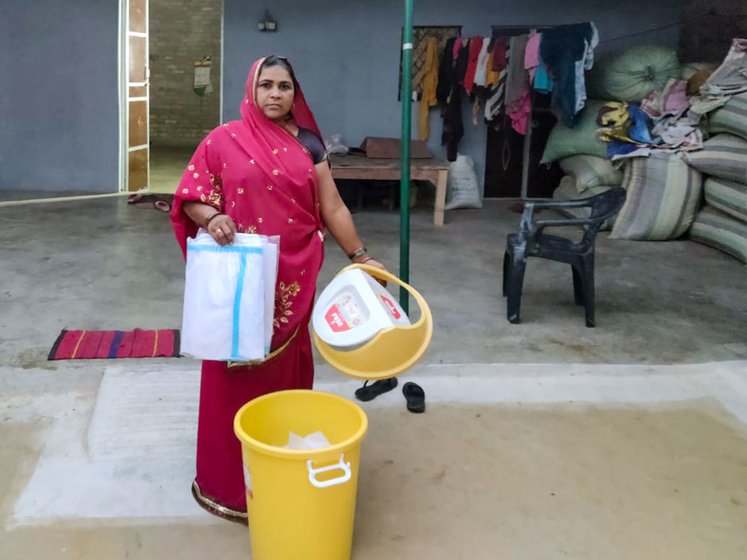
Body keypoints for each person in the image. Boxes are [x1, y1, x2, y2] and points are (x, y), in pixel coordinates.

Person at [171, 55, 384, 523]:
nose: (274, 94)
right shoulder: (222, 140)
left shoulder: (309, 144)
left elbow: (332, 206)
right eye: (265, 85)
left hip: (292, 272)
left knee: (282, 379)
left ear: (295, 93)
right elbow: (191, 198)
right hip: (240, 279)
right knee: (232, 376)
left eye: (284, 86)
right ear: (251, 89)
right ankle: (225, 484)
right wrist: (214, 217)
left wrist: (361, 256)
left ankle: (277, 476)